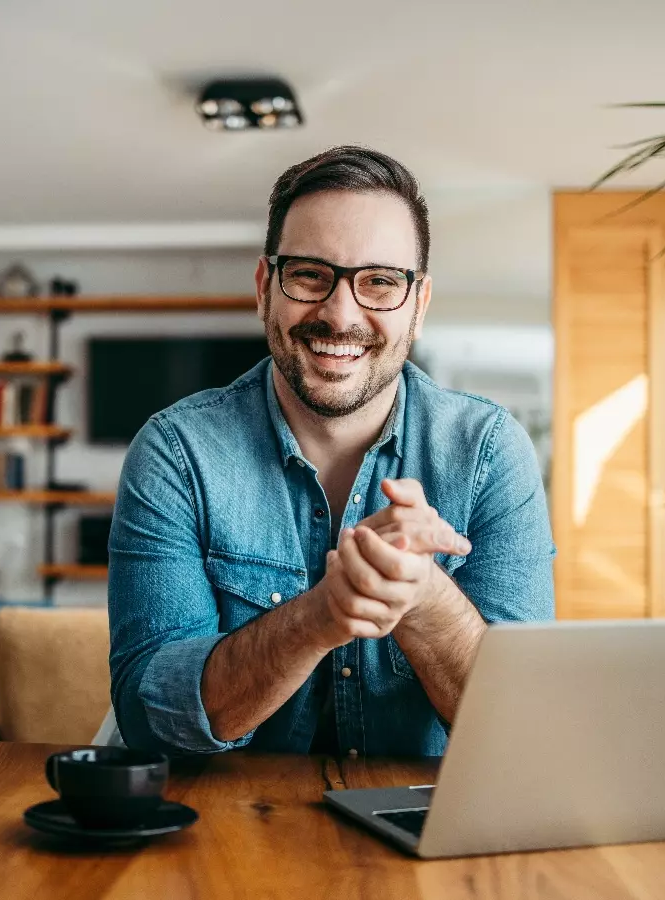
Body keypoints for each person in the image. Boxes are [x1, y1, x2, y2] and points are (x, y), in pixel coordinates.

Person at [107, 146, 554, 757]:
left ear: (417, 305)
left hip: (426, 834)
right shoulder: (176, 452)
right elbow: (152, 721)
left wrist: (423, 597)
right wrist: (320, 615)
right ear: (266, 287)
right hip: (224, 838)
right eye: (310, 274)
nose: (341, 314)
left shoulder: (489, 452)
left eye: (379, 282)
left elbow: (524, 729)